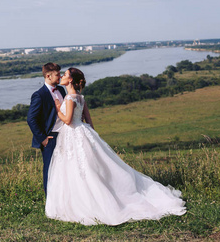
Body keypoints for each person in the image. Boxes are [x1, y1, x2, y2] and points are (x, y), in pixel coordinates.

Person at [45, 67, 186, 226]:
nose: (62, 76)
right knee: (87, 168)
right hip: (81, 133)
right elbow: (89, 121)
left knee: (78, 169)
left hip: (73, 133)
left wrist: (58, 109)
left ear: (70, 80)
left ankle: (82, 202)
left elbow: (68, 120)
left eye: (64, 75)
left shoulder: (70, 98)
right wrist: (91, 138)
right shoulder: (81, 97)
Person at [27, 62, 66, 194]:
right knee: (50, 169)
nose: (60, 77)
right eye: (57, 75)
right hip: (50, 137)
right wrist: (43, 138)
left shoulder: (61, 90)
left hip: (66, 134)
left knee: (65, 168)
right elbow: (31, 119)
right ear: (48, 76)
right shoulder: (39, 95)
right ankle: (49, 200)